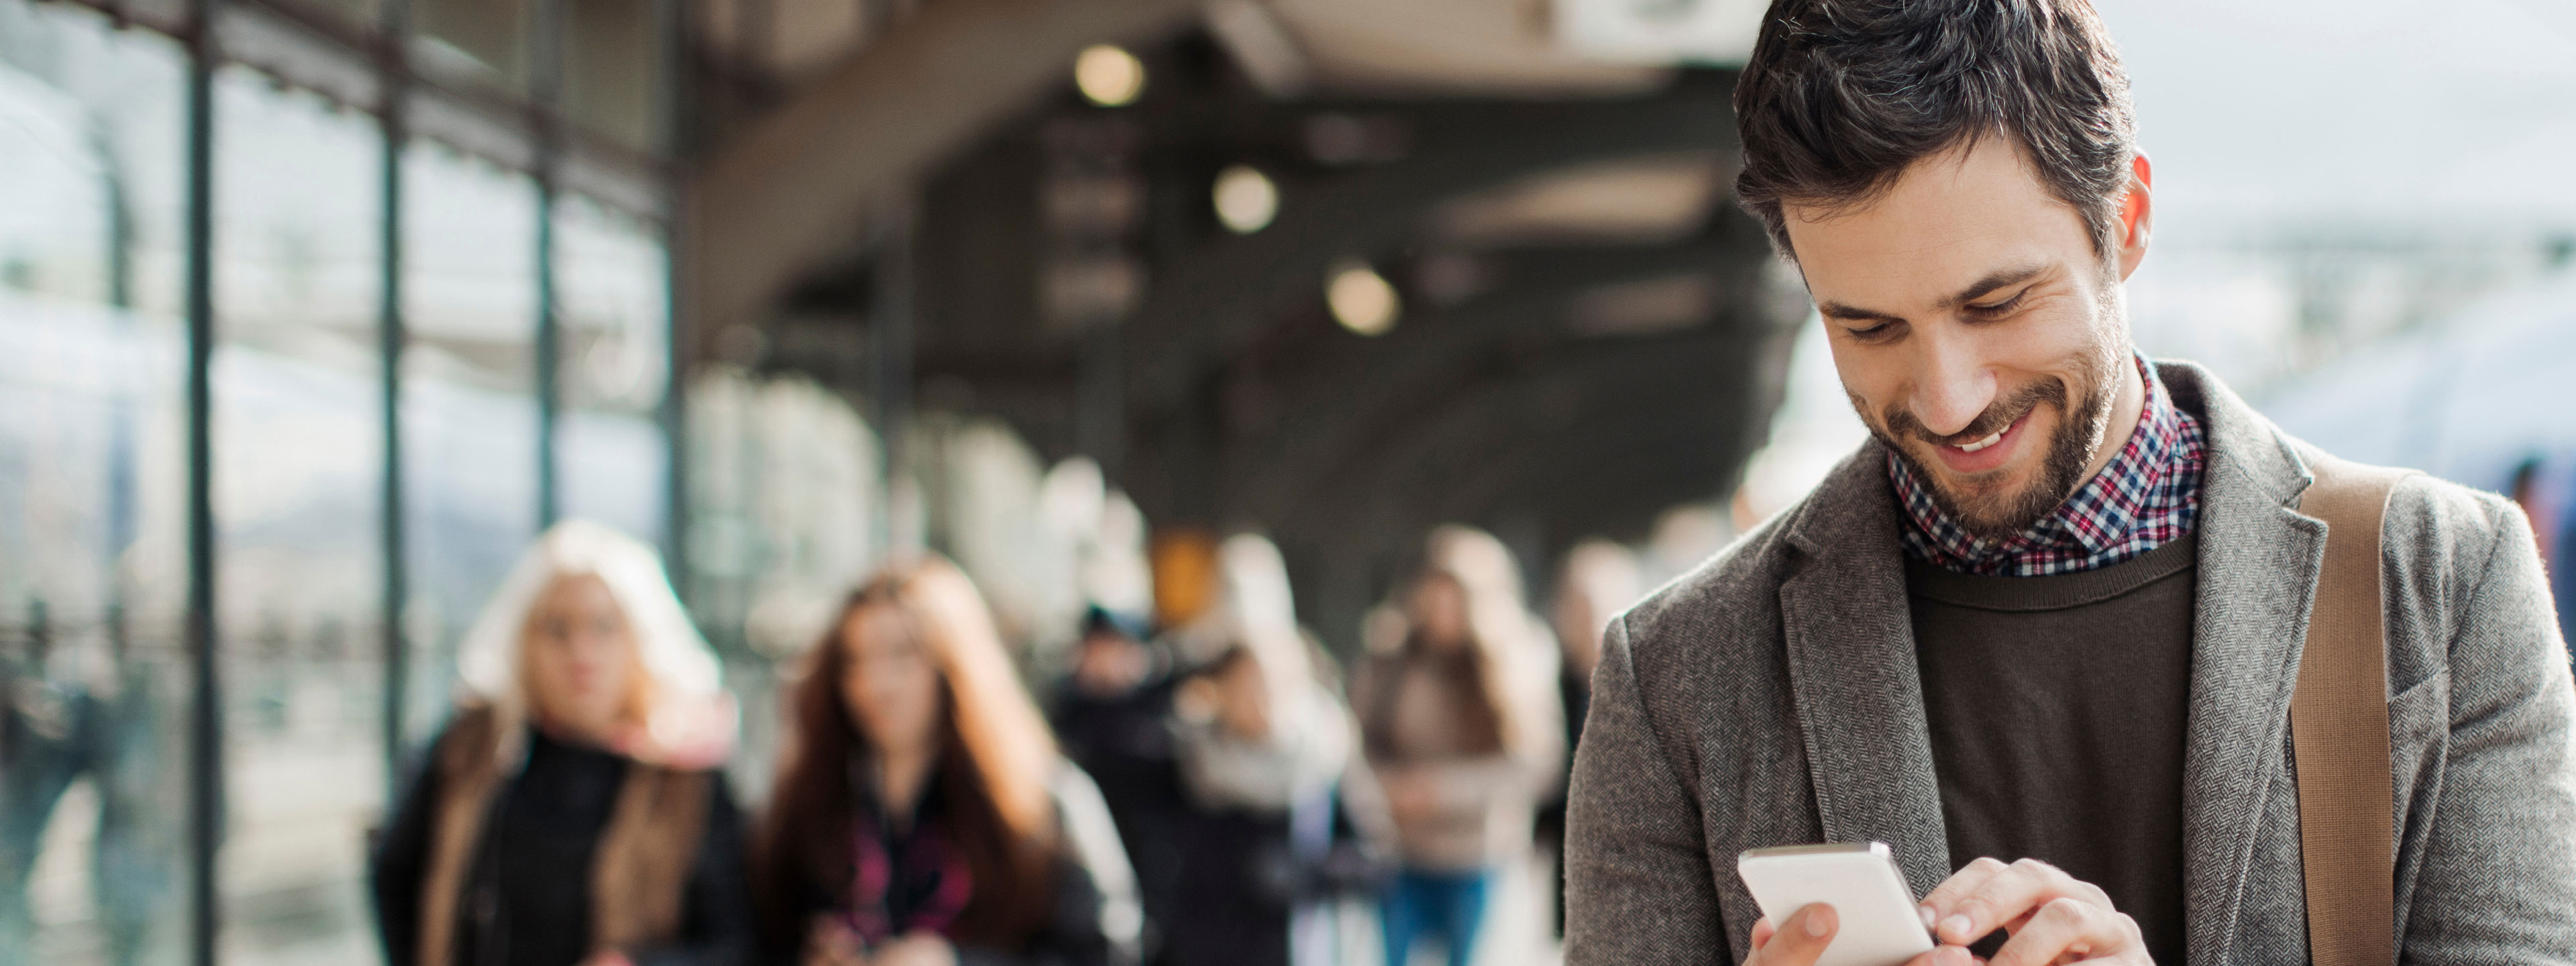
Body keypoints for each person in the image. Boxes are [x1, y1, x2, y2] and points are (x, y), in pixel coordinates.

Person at [1563, 3, 2576, 965]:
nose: (1949, 398)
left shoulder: (2444, 586)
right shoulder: (1674, 681)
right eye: (1868, 327)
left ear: (2126, 220)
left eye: (1997, 303)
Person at [371, 521, 755, 966]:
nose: (582, 654)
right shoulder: (473, 747)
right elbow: (395, 876)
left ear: (642, 640)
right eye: (557, 629)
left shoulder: (687, 773)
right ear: (523, 643)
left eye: (604, 628)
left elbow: (736, 943)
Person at [753, 557, 1142, 966]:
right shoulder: (814, 801)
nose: (875, 684)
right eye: (855, 660)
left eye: (902, 656)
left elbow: (1107, 952)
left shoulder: (1041, 802)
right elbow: (762, 936)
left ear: (954, 664)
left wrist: (957, 962)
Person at [1159, 534, 1392, 966]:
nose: (1259, 703)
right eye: (1245, 688)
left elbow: (1372, 856)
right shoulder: (1191, 756)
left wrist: (1307, 873)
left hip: (1293, 946)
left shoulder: (1323, 754)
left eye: (1269, 687)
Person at [1352, 526, 1562, 966]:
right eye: (1434, 595)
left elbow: (1536, 764)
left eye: (1455, 599)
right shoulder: (1390, 657)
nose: (1442, 611)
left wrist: (1440, 791)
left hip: (1480, 856)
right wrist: (1390, 789)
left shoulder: (1515, 661)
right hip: (1402, 850)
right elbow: (1361, 742)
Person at [1048, 605, 1188, 963]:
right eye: (1097, 647)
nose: (1104, 660)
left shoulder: (1165, 723)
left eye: (1115, 647)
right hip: (1084, 890)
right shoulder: (1062, 718)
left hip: (1157, 886)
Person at [1533, 541, 1639, 938]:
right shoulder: (1548, 679)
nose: (1588, 617)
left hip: (1633, 847)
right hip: (1568, 847)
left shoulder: (1644, 681)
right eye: (1578, 605)